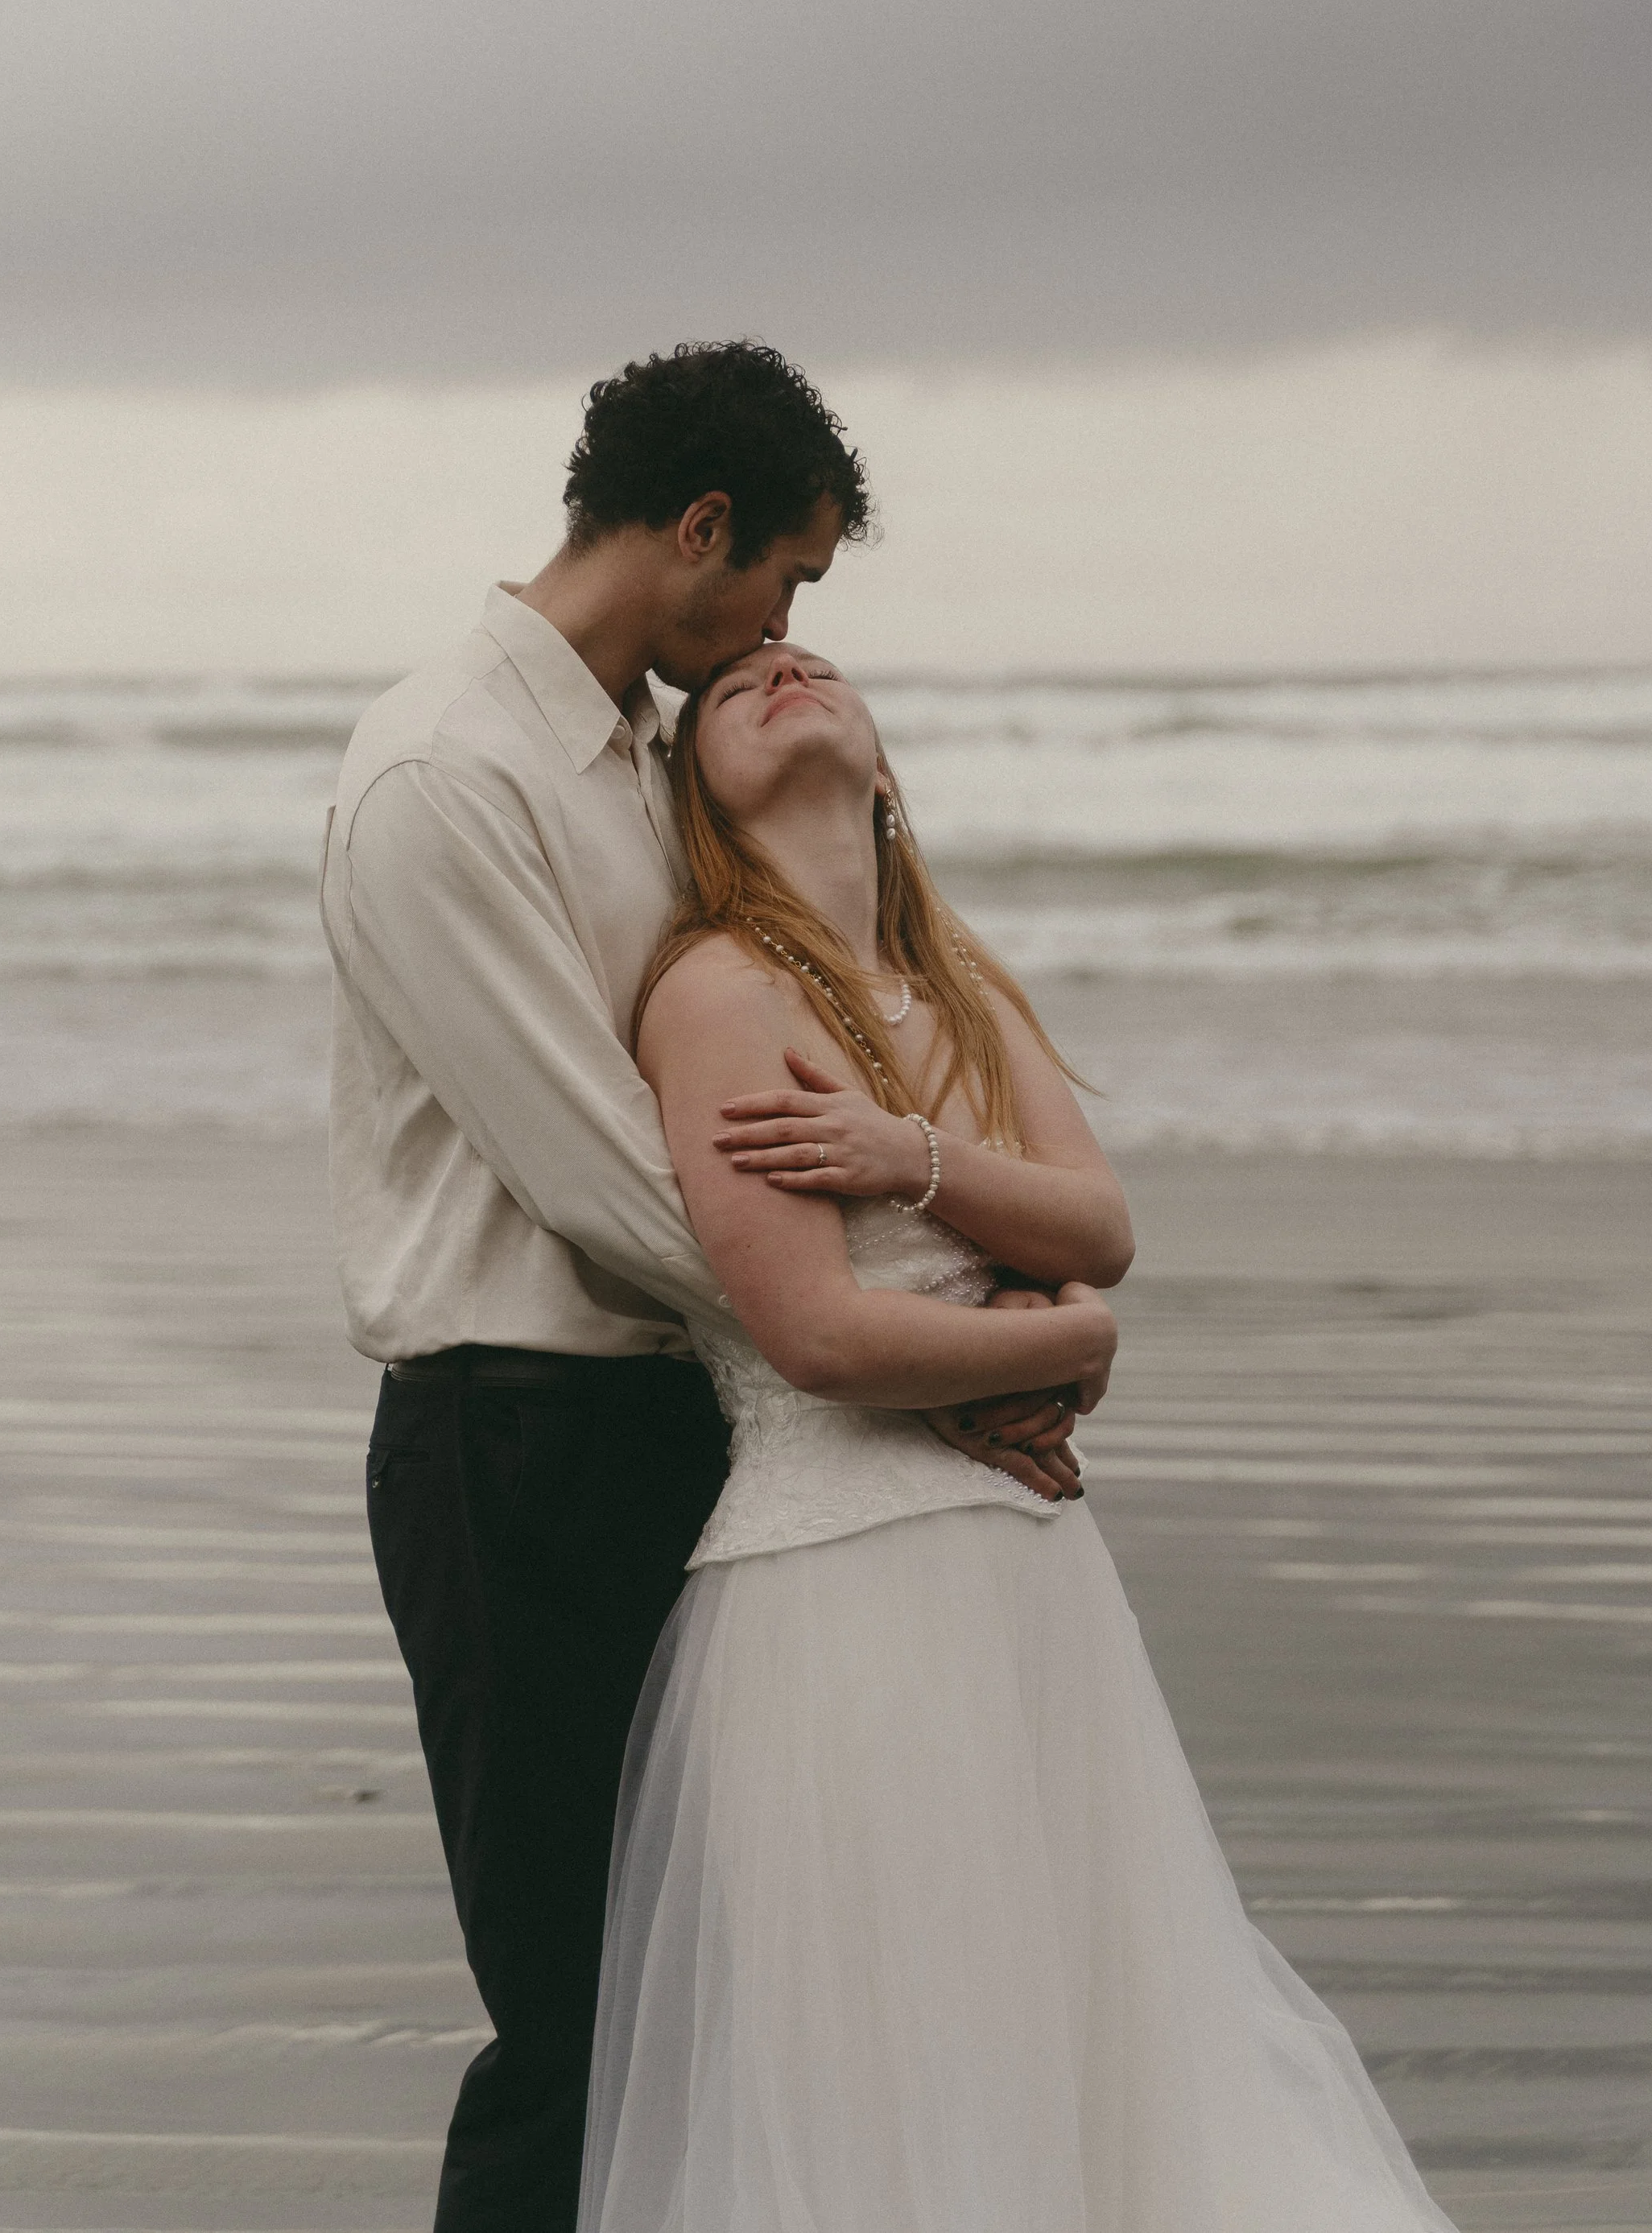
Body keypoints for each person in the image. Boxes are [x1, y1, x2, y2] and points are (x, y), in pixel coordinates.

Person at [320, 342, 1085, 2233]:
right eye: (789, 579)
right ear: (699, 527)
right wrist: (899, 1345)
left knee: (724, 2005)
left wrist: (893, 1310)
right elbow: (596, 1174)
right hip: (517, 1446)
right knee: (575, 2017)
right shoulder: (444, 774)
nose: (783, 628)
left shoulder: (650, 760)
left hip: (708, 1425)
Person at [576, 638, 1460, 2233]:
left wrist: (905, 1154)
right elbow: (819, 1336)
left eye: (813, 659)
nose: (779, 666)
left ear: (886, 772)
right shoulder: (717, 991)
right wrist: (1070, 1336)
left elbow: (1096, 1222)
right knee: (903, 2053)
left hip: (1034, 1584)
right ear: (696, 798)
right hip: (841, 1586)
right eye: (731, 686)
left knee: (1079, 2032)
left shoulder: (960, 990)